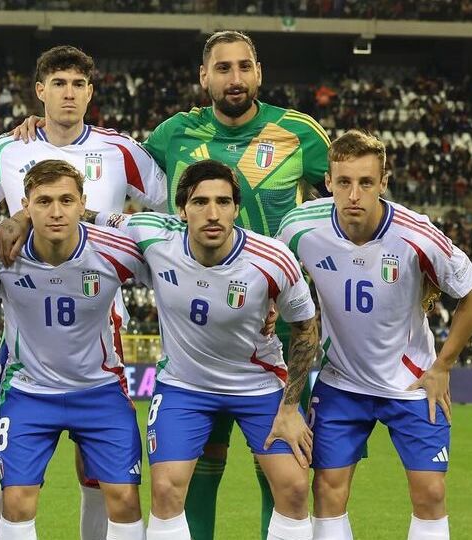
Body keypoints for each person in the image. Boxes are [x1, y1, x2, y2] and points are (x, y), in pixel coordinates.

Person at [11, 31, 331, 539]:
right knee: (194, 474)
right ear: (204, 76)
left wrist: (294, 284)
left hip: (279, 333)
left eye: (244, 67)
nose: (234, 78)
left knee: (288, 478)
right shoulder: (169, 137)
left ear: (259, 73)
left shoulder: (301, 134)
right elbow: (100, 188)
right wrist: (43, 134)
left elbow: (345, 211)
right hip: (197, 336)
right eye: (222, 68)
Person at [0, 45, 167, 539]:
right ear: (40, 92)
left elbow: (162, 213)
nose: (69, 94)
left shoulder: (121, 150)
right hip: (29, 309)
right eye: (58, 84)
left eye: (79, 84)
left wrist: (100, 219)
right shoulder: (6, 150)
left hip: (102, 316)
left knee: (101, 477)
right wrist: (10, 226)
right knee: (16, 481)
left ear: (91, 92)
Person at [92, 159, 319, 540]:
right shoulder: (151, 234)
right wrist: (20, 220)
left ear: (236, 208)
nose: (213, 214)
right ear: (181, 209)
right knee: (165, 489)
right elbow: (86, 215)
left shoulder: (272, 259)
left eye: (223, 202)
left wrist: (291, 408)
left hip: (258, 387)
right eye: (200, 203)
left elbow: (306, 328)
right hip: (184, 387)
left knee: (294, 488)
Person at [276, 130, 472, 540]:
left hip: (410, 383)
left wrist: (443, 366)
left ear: (383, 182)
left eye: (366, 182)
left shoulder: (417, 235)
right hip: (342, 382)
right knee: (326, 491)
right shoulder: (299, 227)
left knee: (430, 492)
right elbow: (274, 275)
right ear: (329, 183)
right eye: (344, 182)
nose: (354, 194)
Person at [0, 159, 147, 539]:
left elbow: (180, 269)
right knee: (16, 500)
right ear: (25, 205)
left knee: (124, 498)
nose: (56, 212)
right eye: (44, 201)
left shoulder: (116, 251)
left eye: (66, 200)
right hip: (29, 393)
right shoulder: (1, 249)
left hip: (100, 392)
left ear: (83, 203)